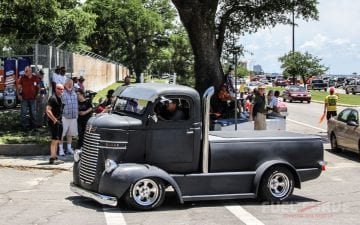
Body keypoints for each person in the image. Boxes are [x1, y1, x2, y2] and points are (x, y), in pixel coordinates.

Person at [46, 83, 64, 164]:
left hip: (59, 121)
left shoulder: (59, 98)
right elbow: (48, 110)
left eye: (62, 89)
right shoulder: (53, 98)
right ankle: (52, 157)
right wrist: (54, 120)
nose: (61, 90)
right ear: (55, 89)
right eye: (59, 89)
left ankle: (55, 156)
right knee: (54, 139)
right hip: (54, 122)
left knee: (57, 139)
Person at [59, 78, 78, 156]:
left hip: (73, 117)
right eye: (68, 83)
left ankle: (69, 148)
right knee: (61, 134)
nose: (70, 85)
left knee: (70, 134)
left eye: (71, 83)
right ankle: (60, 149)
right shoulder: (62, 93)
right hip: (64, 117)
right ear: (65, 84)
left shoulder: (74, 92)